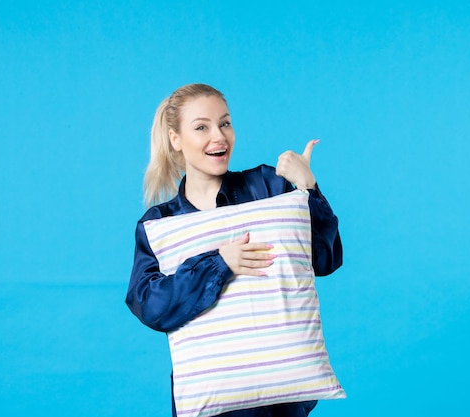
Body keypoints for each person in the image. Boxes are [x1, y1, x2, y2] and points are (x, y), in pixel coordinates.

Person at [126, 83, 343, 417]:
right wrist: (219, 263)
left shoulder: (269, 187)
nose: (219, 136)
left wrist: (308, 189)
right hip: (210, 405)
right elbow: (151, 306)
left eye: (225, 123)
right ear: (175, 139)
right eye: (202, 127)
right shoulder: (160, 223)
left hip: (280, 405)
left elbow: (325, 259)